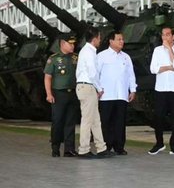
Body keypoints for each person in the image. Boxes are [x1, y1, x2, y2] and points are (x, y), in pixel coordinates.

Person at [97, 31, 137, 156]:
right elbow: (96, 74)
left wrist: (133, 89)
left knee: (120, 121)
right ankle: (106, 146)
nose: (122, 41)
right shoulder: (101, 56)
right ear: (111, 41)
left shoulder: (126, 57)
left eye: (122, 39)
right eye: (119, 39)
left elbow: (131, 75)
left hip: (122, 94)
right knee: (106, 121)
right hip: (106, 95)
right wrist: (98, 89)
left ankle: (119, 146)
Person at [76, 26, 112, 158]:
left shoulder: (86, 51)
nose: (100, 40)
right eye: (99, 38)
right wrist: (100, 88)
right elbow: (92, 73)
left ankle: (101, 147)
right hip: (88, 86)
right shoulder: (89, 52)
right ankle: (83, 149)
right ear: (95, 38)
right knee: (87, 120)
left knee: (96, 120)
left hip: (85, 86)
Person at [148, 27, 174, 156]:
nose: (165, 37)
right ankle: (159, 143)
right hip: (161, 88)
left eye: (168, 35)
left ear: (173, 36)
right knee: (158, 117)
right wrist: (168, 67)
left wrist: (169, 49)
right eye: (163, 35)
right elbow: (153, 69)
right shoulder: (157, 50)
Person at [44, 33, 79, 157]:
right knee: (58, 121)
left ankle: (69, 149)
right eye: (70, 43)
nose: (73, 46)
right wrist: (49, 94)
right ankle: (55, 147)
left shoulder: (76, 58)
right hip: (59, 94)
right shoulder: (53, 59)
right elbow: (48, 77)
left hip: (73, 93)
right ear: (62, 44)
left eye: (73, 43)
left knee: (71, 122)